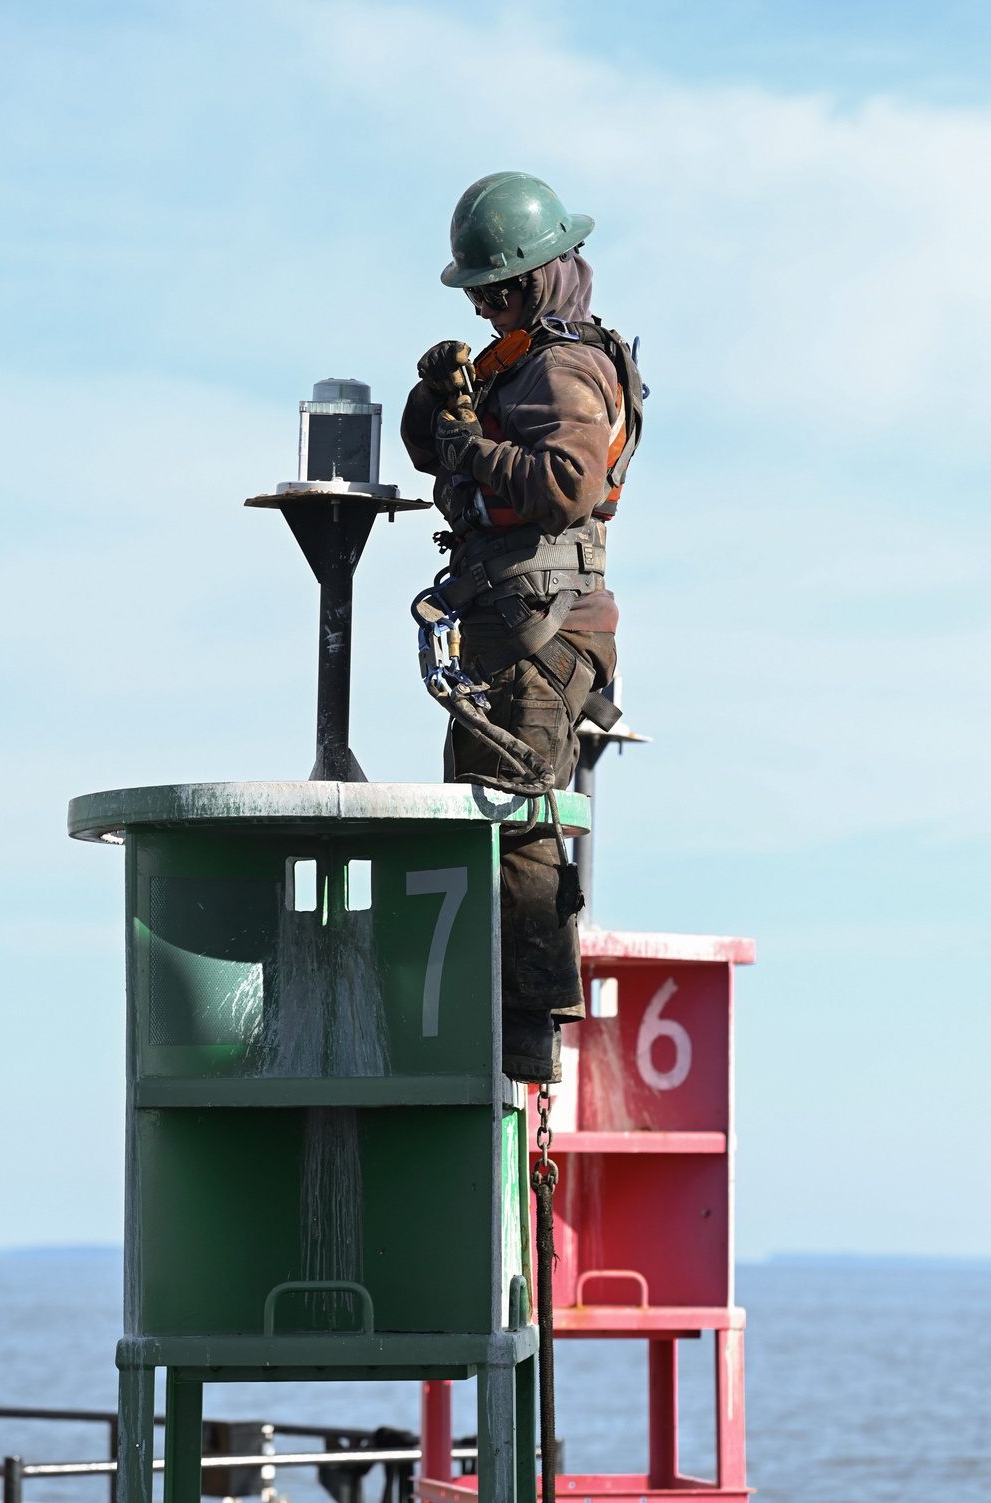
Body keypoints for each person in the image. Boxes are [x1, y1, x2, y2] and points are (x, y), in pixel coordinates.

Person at [401, 171, 637, 1084]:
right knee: (492, 816)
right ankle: (501, 1022)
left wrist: (471, 450)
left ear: (532, 278)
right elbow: (445, 445)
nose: (486, 308)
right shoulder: (526, 358)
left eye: (494, 292)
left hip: (542, 633)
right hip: (513, 625)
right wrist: (442, 407)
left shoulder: (566, 367)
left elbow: (562, 482)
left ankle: (524, 1034)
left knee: (516, 822)